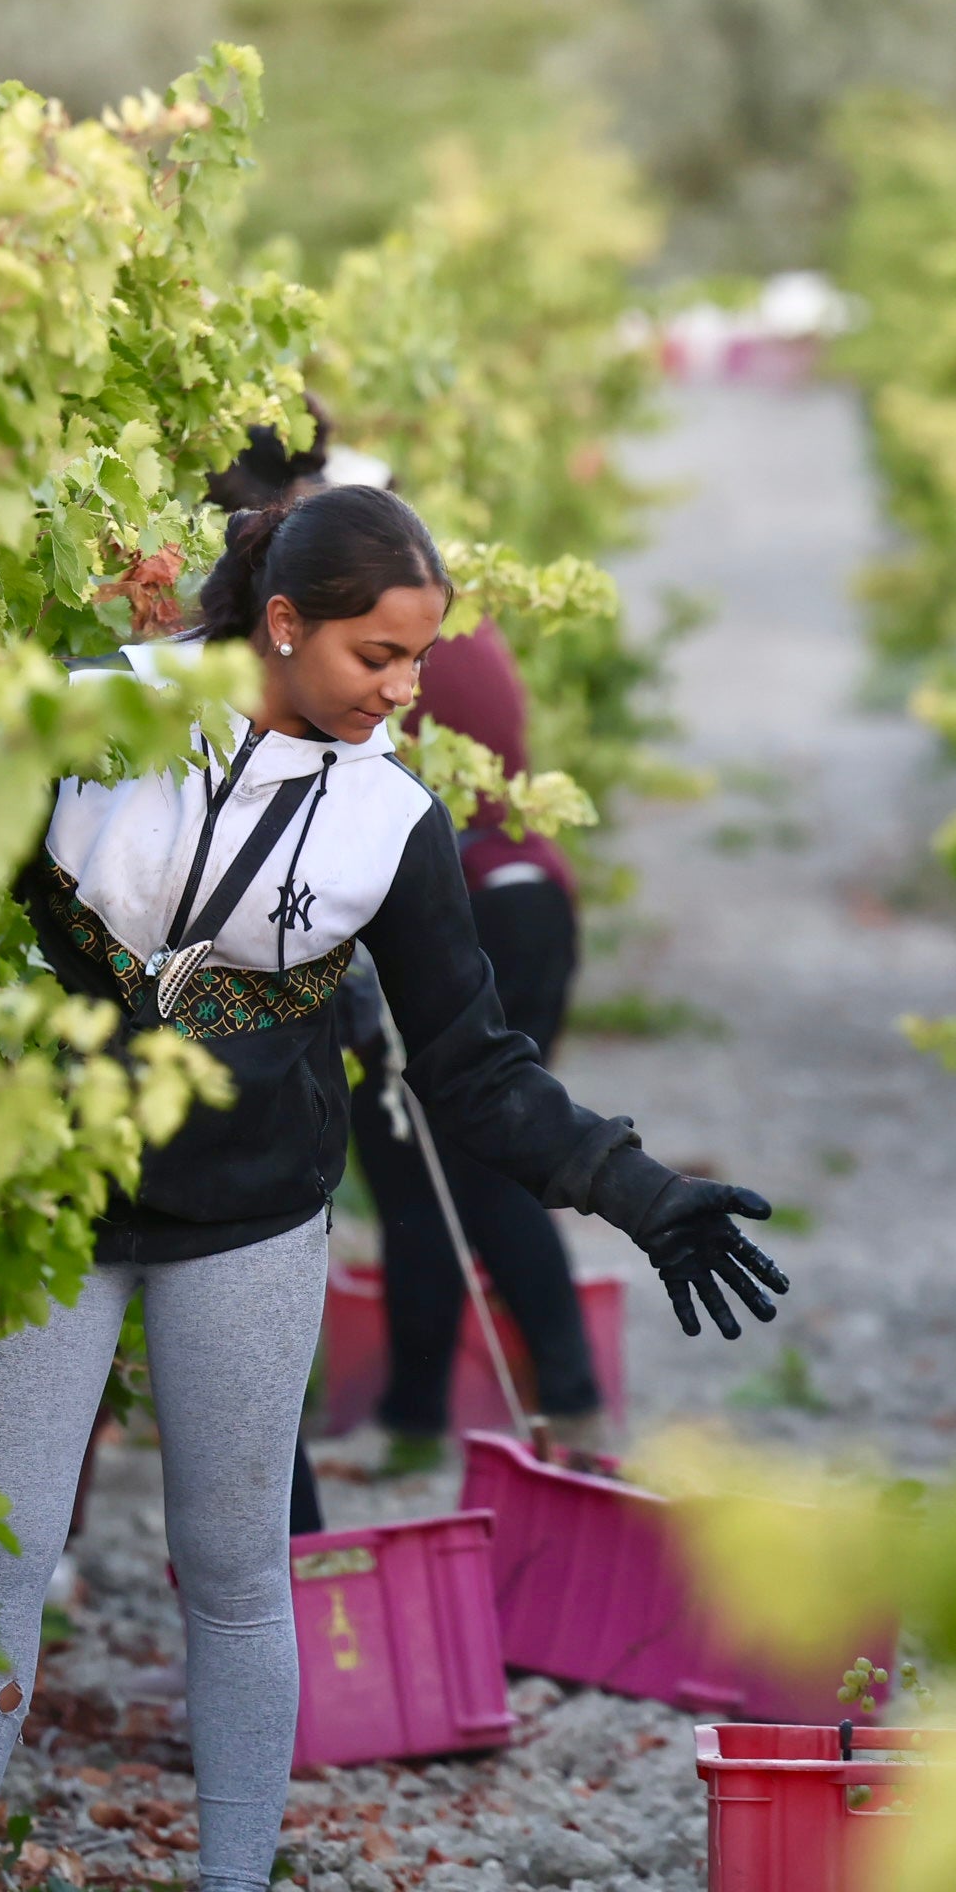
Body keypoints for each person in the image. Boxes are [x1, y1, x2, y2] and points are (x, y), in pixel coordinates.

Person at [0, 484, 789, 1892]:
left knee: (238, 1572)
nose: (404, 691)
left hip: (248, 1219)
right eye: (378, 656)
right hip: (43, 1201)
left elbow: (475, 1068)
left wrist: (640, 1192)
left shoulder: (392, 820)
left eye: (420, 659)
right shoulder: (85, 718)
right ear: (282, 623)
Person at [348, 612, 604, 1469]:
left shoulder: (351, 600)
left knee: (434, 1170)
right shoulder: (440, 600)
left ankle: (429, 1421)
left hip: (469, 901)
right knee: (485, 1160)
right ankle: (554, 1407)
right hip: (530, 891)